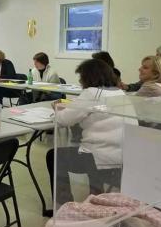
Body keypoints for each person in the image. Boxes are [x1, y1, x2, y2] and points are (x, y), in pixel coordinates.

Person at [44, 59, 126, 217]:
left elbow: (63, 120)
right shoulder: (120, 92)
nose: (80, 81)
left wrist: (57, 108)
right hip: (121, 157)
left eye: (81, 77)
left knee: (54, 156)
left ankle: (63, 206)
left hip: (96, 158)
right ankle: (95, 197)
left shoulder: (91, 93)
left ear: (88, 77)